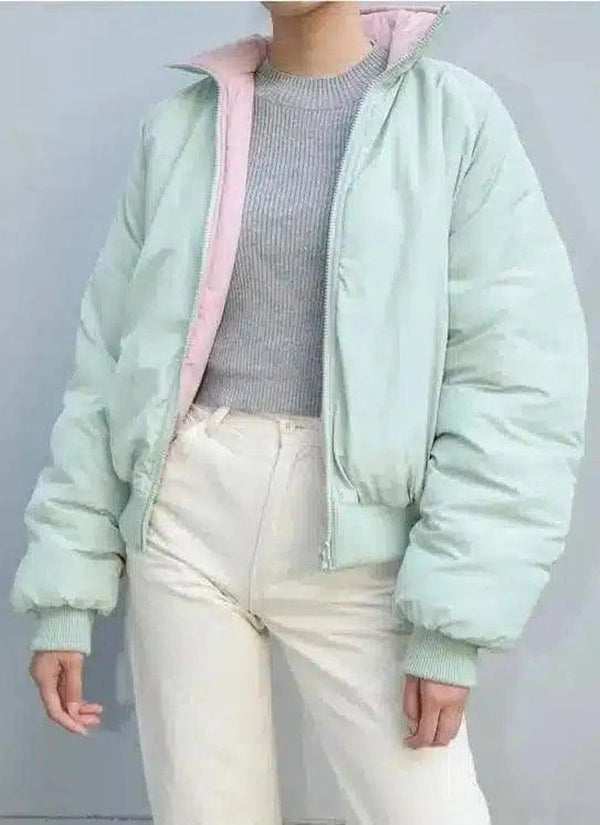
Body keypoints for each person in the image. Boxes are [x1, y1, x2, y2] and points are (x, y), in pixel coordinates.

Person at [9, 2, 588, 823]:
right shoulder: (180, 129)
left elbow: (515, 378)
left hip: (358, 537)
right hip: (184, 523)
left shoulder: (453, 119)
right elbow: (108, 366)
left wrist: (452, 622)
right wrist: (67, 590)